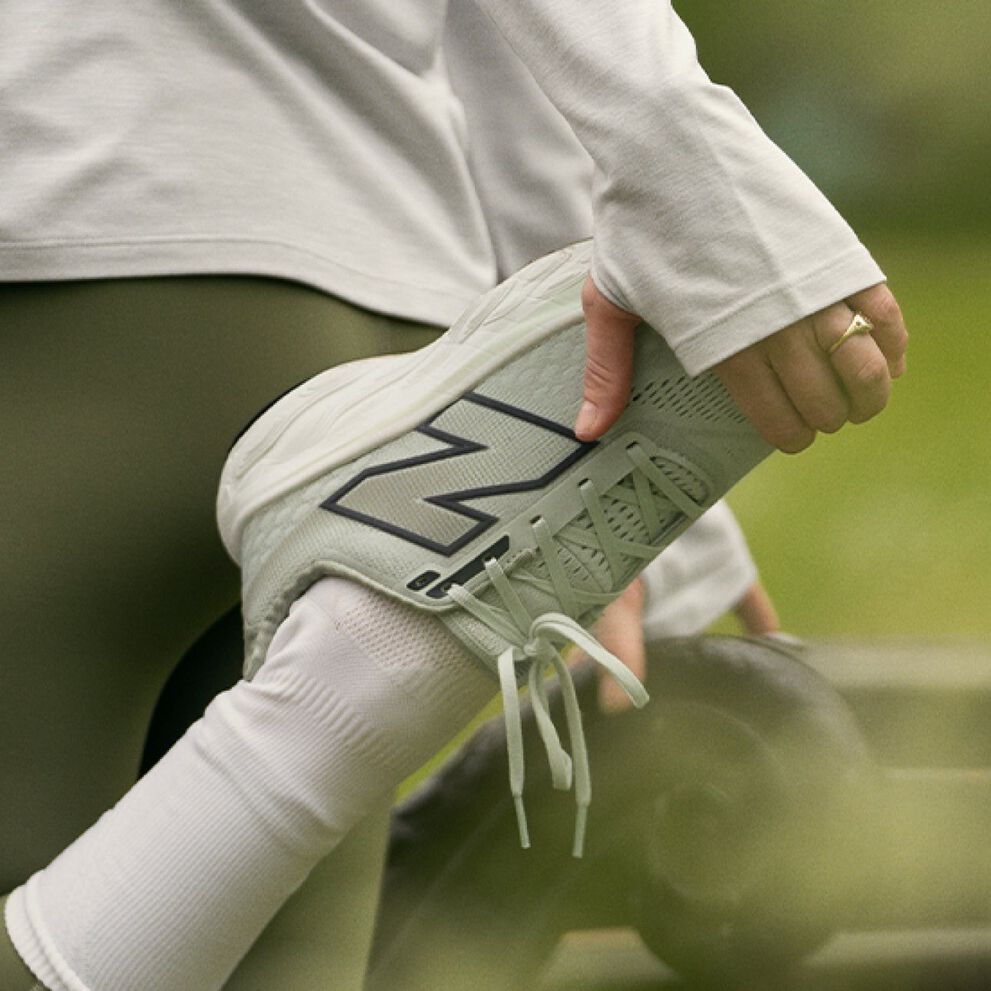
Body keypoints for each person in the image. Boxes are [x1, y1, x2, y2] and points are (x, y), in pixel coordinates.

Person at [0, 3, 907, 990]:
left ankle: (332, 703)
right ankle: (335, 698)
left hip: (65, 262)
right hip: (390, 328)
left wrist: (683, 168)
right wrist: (592, 420)